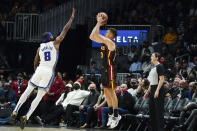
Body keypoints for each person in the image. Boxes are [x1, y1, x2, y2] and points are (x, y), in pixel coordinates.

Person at [9, 8, 76, 129]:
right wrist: (71, 18)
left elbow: (35, 61)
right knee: (39, 96)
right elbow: (65, 30)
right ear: (50, 37)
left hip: (39, 69)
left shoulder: (40, 47)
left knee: (28, 91)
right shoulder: (56, 43)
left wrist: (36, 71)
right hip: (48, 71)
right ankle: (27, 116)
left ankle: (15, 111)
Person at [89, 12, 121, 129]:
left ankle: (116, 115)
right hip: (104, 70)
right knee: (106, 92)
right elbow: (92, 36)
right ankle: (112, 114)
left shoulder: (110, 43)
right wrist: (98, 23)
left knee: (111, 92)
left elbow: (96, 34)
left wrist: (99, 23)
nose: (106, 33)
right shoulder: (104, 41)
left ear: (111, 35)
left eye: (107, 32)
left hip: (110, 69)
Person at [144, 52, 165, 131]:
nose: (151, 57)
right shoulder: (153, 68)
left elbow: (162, 79)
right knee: (152, 111)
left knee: (159, 112)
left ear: (157, 57)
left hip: (158, 89)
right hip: (153, 88)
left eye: (152, 56)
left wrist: (157, 90)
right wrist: (147, 92)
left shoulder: (160, 66)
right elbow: (151, 82)